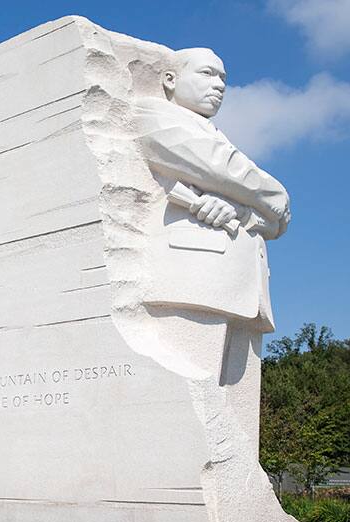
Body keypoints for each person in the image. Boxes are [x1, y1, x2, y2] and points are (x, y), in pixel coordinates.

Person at [133, 47, 292, 448]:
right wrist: (271, 197)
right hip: (195, 278)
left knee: (238, 427)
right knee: (190, 414)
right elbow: (220, 167)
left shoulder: (216, 134)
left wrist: (241, 206)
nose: (219, 86)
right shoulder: (152, 115)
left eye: (224, 78)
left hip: (244, 287)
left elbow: (275, 219)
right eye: (207, 74)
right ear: (170, 79)